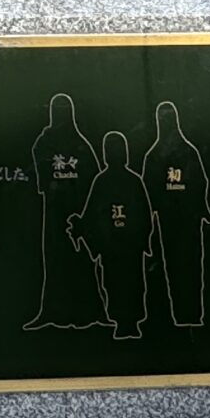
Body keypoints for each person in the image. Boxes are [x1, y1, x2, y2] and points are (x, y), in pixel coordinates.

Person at [24, 92, 107, 330]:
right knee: (56, 260)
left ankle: (88, 311)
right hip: (55, 212)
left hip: (78, 214)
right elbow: (40, 168)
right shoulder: (46, 140)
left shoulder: (79, 143)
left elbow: (94, 180)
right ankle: (53, 311)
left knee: (80, 260)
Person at [74, 130, 154, 341]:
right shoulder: (104, 181)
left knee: (132, 282)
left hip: (127, 244)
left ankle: (131, 322)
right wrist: (82, 225)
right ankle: (121, 321)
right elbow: (92, 213)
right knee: (115, 282)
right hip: (114, 245)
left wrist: (140, 237)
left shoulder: (130, 181)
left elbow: (144, 213)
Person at [141, 100, 210, 328]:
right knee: (176, 264)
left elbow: (200, 181)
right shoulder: (155, 155)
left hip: (185, 219)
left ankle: (193, 314)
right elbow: (149, 188)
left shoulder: (186, 152)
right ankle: (182, 315)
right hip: (171, 220)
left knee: (190, 263)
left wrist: (201, 207)